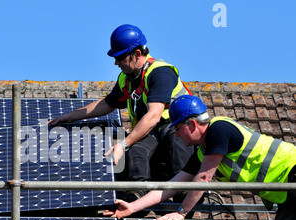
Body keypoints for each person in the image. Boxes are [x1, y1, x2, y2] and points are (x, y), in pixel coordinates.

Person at [103, 95, 296, 220]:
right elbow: (170, 186)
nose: (177, 135)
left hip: (292, 172)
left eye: (177, 129)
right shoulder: (202, 153)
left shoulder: (219, 130)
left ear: (193, 125)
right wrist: (132, 208)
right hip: (286, 195)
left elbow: (203, 179)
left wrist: (182, 212)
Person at [49, 24, 194, 199]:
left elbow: (154, 115)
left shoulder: (161, 73)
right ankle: (137, 195)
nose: (116, 62)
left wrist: (123, 144)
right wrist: (70, 116)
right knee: (137, 151)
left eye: (120, 57)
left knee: (175, 146)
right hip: (153, 131)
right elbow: (107, 104)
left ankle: (185, 193)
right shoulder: (126, 78)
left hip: (177, 126)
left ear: (137, 54)